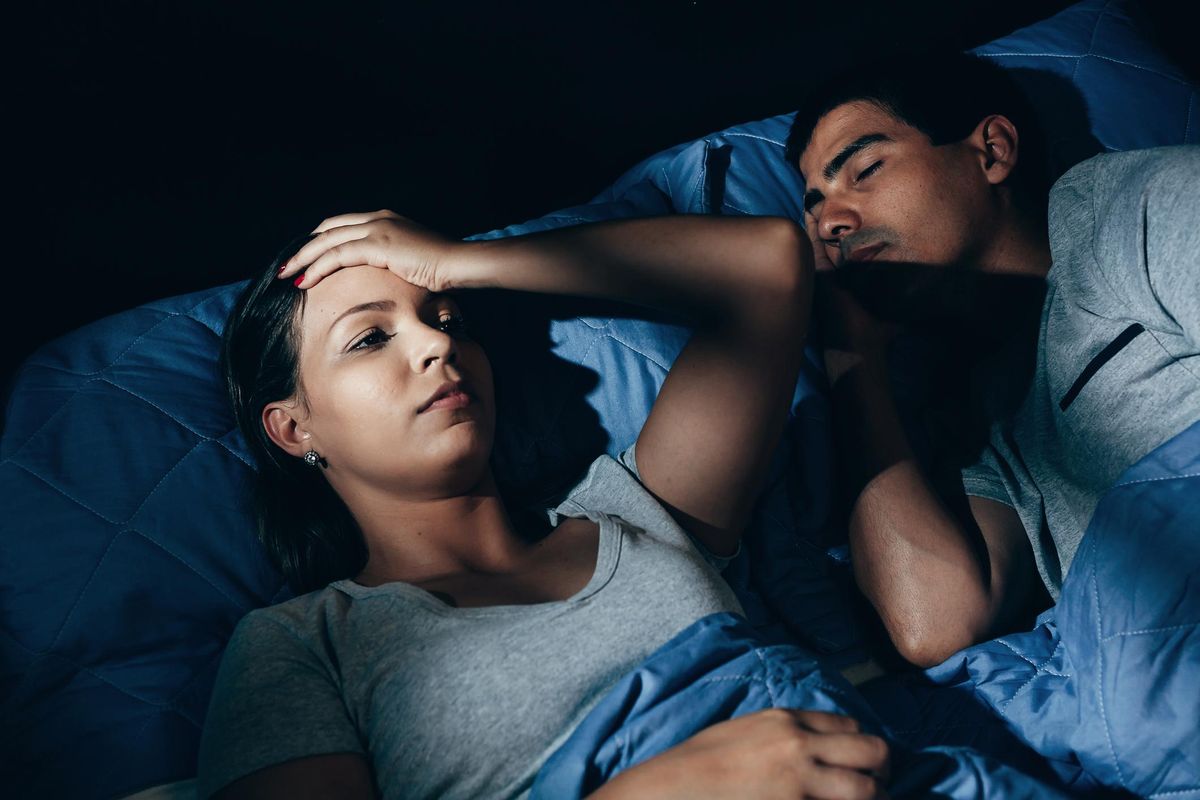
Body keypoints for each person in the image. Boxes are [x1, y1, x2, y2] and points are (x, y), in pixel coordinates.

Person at [199, 210, 894, 799]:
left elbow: (766, 262)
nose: (439, 343)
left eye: (450, 319)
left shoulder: (641, 509)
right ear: (294, 428)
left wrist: (456, 262)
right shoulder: (302, 643)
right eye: (370, 337)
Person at [785, 51, 1200, 668]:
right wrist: (853, 354)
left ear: (992, 151)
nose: (832, 223)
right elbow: (934, 623)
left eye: (865, 169)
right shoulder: (979, 409)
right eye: (815, 207)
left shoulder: (1135, 209)